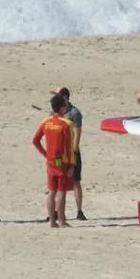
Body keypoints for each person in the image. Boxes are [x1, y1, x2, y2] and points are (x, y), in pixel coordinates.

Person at [32, 95, 76, 228]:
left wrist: (46, 154)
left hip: (51, 161)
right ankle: (61, 220)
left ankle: (52, 221)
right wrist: (72, 165)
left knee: (52, 191)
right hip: (62, 162)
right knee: (61, 191)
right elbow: (69, 147)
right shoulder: (67, 123)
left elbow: (35, 140)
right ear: (63, 107)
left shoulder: (46, 121)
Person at [51, 86, 87, 220]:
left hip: (71, 152)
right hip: (59, 153)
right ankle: (56, 211)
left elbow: (78, 131)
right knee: (58, 181)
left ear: (65, 97)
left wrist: (75, 149)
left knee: (76, 180)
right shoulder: (53, 111)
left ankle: (79, 211)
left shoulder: (74, 113)